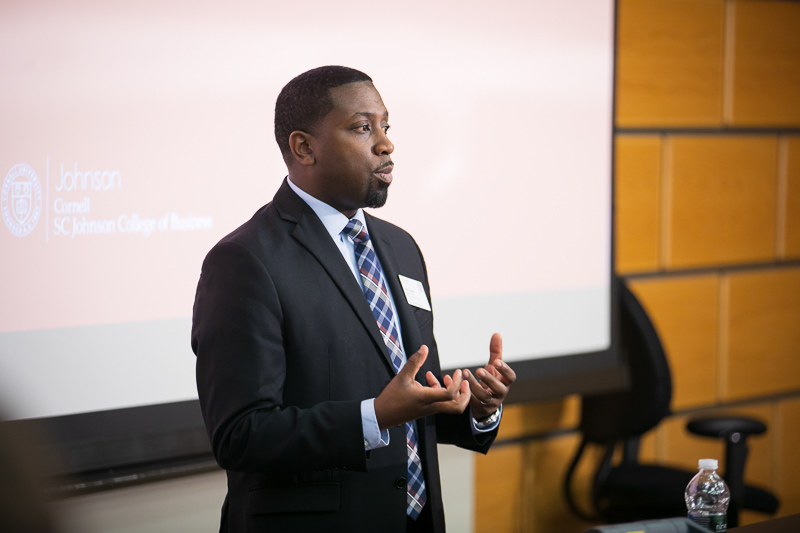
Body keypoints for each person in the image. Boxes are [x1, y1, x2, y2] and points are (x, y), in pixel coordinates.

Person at [191, 65, 516, 533]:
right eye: (363, 128)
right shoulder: (244, 261)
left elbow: (411, 392)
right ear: (304, 147)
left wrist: (476, 408)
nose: (385, 144)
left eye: (385, 126)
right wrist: (375, 415)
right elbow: (240, 435)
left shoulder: (401, 247)